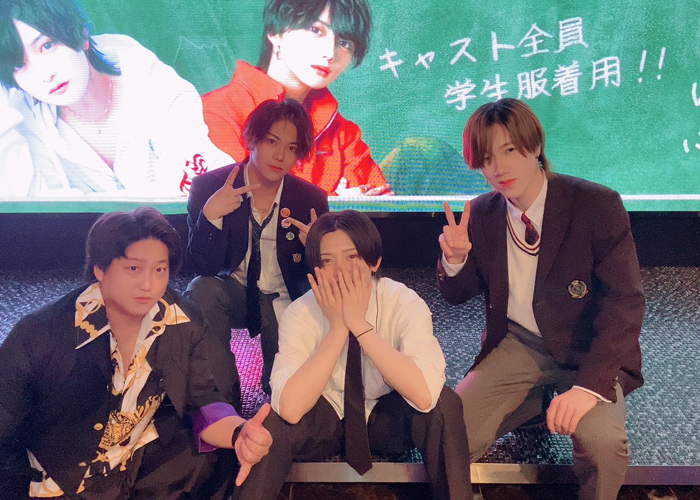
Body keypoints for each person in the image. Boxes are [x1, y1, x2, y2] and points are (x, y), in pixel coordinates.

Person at [437, 98, 645, 500]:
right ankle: (530, 402)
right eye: (487, 158)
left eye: (510, 150)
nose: (499, 167)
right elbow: (457, 295)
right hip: (518, 344)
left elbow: (625, 302)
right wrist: (456, 260)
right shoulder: (481, 213)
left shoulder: (595, 204)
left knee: (603, 445)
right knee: (449, 434)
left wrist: (587, 389)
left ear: (534, 146)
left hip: (587, 347)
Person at [0, 207, 273, 499]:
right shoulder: (41, 334)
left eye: (160, 270)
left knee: (213, 457)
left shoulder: (182, 322)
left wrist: (239, 433)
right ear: (100, 269)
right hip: (53, 479)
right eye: (134, 269)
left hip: (128, 471)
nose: (148, 284)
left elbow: (202, 399)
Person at [233, 210, 473, 500]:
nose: (340, 272)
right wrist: (337, 329)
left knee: (445, 404)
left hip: (386, 417)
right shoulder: (300, 312)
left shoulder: (403, 302)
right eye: (327, 261)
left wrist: (360, 326)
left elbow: (424, 395)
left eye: (351, 257)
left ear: (374, 261)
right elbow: (290, 408)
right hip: (325, 419)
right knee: (268, 424)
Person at [0, 0, 231, 199]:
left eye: (47, 46)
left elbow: (193, 190)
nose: (44, 74)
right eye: (19, 65)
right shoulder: (24, 124)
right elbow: (32, 209)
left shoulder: (152, 82)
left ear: (82, 34)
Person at [185, 98, 329, 401]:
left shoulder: (311, 199)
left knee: (285, 391)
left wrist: (318, 251)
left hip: (285, 296)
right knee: (202, 291)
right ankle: (223, 402)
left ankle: (281, 401)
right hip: (234, 292)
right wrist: (211, 217)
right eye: (271, 142)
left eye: (292, 148)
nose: (280, 156)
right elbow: (201, 266)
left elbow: (322, 276)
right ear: (252, 139)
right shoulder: (210, 187)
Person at [202, 0, 392, 197]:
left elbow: (381, 206)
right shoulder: (216, 113)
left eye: (344, 43)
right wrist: (332, 202)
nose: (330, 53)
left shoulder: (343, 134)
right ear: (276, 32)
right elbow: (235, 205)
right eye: (315, 30)